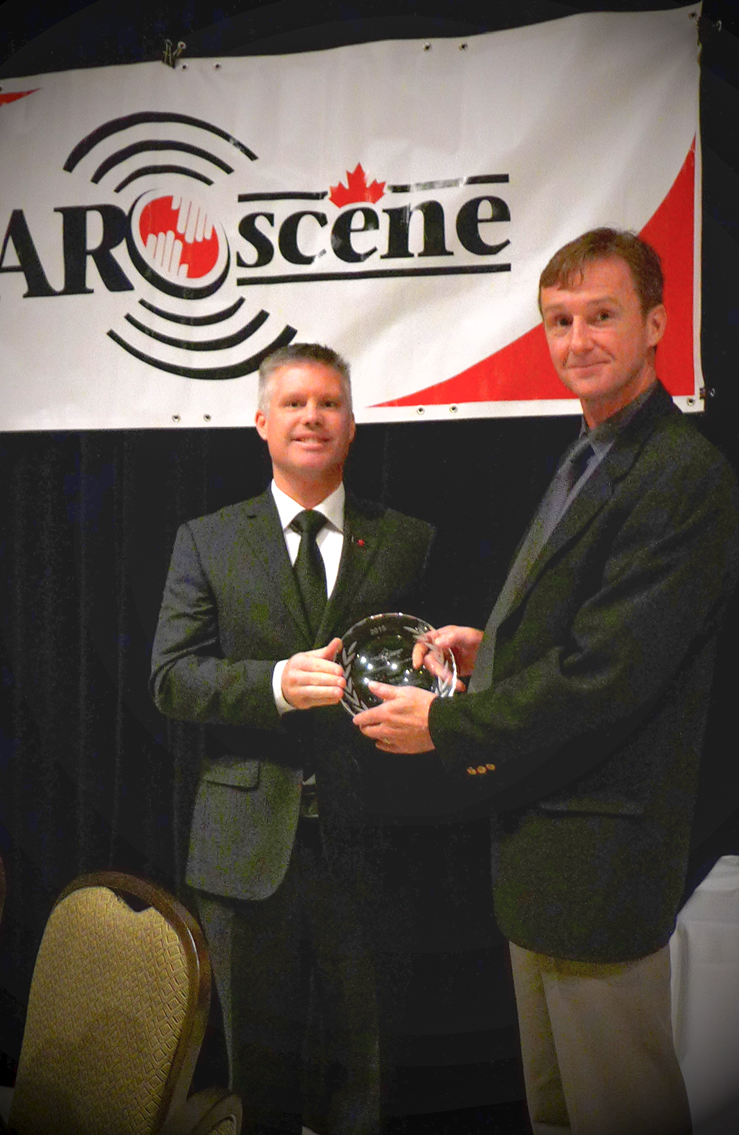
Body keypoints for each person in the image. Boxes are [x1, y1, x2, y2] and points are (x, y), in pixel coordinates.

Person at [353, 229, 739, 1135]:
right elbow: (586, 626)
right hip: (542, 861)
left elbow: (606, 677)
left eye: (601, 315)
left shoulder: (681, 474)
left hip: (600, 862)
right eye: (559, 321)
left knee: (621, 1110)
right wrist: (488, 648)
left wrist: (446, 727)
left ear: (656, 323)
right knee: (559, 1113)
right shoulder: (589, 450)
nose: (578, 340)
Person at [150, 343, 437, 1135]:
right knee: (257, 1075)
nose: (312, 417)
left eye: (329, 403)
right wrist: (273, 683)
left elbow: (442, 671)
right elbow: (171, 678)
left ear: (353, 424)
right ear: (261, 421)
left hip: (372, 840)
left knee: (368, 1070)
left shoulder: (409, 540)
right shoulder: (207, 539)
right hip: (245, 849)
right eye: (295, 403)